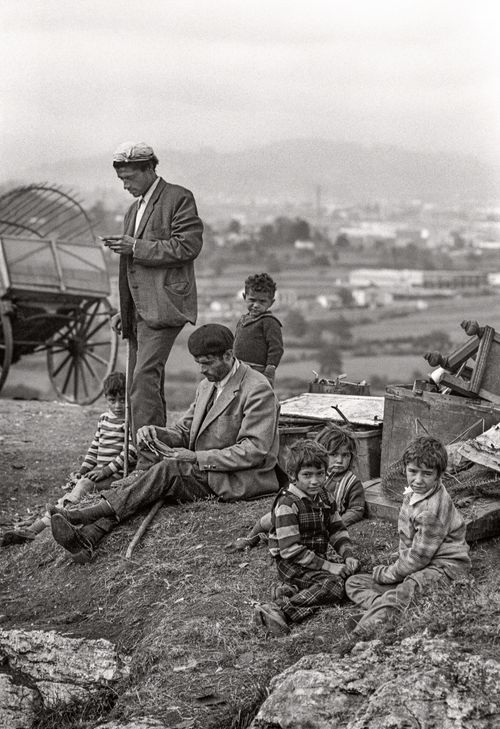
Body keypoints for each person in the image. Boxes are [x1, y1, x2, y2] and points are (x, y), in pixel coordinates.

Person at [47, 324, 280, 563]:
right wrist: (156, 433)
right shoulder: (207, 386)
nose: (202, 370)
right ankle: (90, 536)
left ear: (228, 356)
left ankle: (86, 515)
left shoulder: (257, 389)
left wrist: (195, 458)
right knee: (147, 484)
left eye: (207, 363)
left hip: (239, 478)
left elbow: (254, 450)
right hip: (208, 471)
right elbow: (184, 430)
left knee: (169, 470)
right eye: (198, 363)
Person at [102, 141, 203, 457]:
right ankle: (154, 452)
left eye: (130, 177)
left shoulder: (178, 198)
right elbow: (128, 269)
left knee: (142, 380)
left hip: (165, 306)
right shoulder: (133, 209)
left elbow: (188, 247)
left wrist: (137, 247)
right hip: (139, 311)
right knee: (145, 381)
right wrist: (125, 310)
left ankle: (147, 461)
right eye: (121, 180)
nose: (125, 184)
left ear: (150, 169)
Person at [345, 436, 471, 635]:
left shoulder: (431, 510)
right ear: (405, 468)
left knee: (407, 588)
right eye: (413, 471)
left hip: (442, 569)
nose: (418, 480)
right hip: (415, 567)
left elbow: (419, 558)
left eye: (427, 474)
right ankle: (385, 608)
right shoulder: (413, 492)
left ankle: (363, 631)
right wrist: (395, 571)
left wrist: (389, 573)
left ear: (439, 475)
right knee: (354, 583)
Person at [1, 372, 136, 548]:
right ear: (105, 398)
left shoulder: (130, 420)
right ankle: (34, 530)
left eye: (122, 400)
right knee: (76, 487)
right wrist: (82, 471)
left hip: (116, 475)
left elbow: (131, 451)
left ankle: (62, 514)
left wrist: (106, 471)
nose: (118, 405)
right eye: (112, 400)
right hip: (99, 474)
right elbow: (94, 449)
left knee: (84, 486)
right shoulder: (104, 419)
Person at [254, 439, 360, 636]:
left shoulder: (325, 497)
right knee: (335, 586)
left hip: (312, 560)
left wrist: (348, 556)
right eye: (307, 475)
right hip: (291, 563)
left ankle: (291, 590)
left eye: (320, 474)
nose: (315, 481)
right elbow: (290, 550)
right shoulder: (288, 503)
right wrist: (329, 566)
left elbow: (337, 529)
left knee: (351, 574)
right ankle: (281, 610)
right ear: (293, 476)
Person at [226, 424, 365, 552]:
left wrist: (339, 522)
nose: (339, 461)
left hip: (324, 519)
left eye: (345, 455)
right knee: (269, 519)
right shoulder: (310, 476)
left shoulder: (351, 482)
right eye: (333, 454)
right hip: (298, 513)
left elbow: (357, 509)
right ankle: (251, 537)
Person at [233, 273, 283, 386]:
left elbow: (276, 348)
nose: (256, 305)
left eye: (262, 301)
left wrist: (270, 370)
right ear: (244, 297)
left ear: (271, 302)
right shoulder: (242, 320)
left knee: (258, 399)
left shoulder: (269, 322)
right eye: (252, 300)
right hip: (238, 369)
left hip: (259, 371)